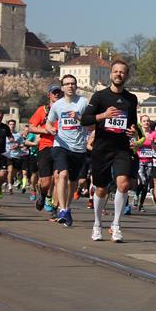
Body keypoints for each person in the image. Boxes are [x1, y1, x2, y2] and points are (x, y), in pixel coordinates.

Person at [80, 60, 139, 242]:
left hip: (122, 148)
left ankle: (116, 225)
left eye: (122, 72)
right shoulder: (99, 96)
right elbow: (85, 120)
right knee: (101, 188)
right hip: (102, 148)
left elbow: (133, 122)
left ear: (126, 76)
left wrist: (133, 130)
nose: (118, 74)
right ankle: (97, 224)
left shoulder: (131, 98)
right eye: (116, 71)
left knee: (123, 184)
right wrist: (104, 115)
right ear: (111, 74)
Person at [46, 74, 90, 227]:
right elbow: (49, 122)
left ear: (76, 86)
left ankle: (67, 207)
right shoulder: (57, 105)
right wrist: (50, 129)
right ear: (62, 87)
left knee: (73, 182)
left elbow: (91, 124)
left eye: (72, 83)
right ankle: (63, 210)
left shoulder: (84, 102)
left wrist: (79, 118)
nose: (70, 86)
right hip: (61, 145)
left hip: (78, 147)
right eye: (67, 84)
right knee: (62, 174)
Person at [28, 85, 63, 214]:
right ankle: (42, 195)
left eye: (59, 92)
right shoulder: (42, 110)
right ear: (49, 95)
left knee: (59, 177)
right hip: (46, 146)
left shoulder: (65, 109)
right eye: (54, 92)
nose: (57, 94)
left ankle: (55, 207)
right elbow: (31, 127)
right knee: (46, 182)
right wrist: (45, 130)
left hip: (62, 146)